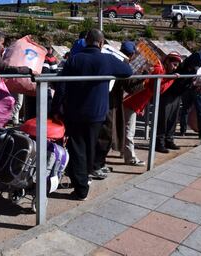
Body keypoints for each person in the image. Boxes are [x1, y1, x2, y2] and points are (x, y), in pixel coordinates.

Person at [52, 29, 132, 200]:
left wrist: (55, 109)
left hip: (75, 112)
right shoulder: (107, 59)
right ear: (102, 43)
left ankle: (81, 187)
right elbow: (128, 71)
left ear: (86, 41)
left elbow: (61, 86)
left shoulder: (75, 59)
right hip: (97, 113)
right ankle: (83, 179)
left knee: (77, 148)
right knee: (90, 147)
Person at [154, 52, 184, 153]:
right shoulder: (161, 69)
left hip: (175, 96)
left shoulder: (176, 71)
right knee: (163, 120)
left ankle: (169, 140)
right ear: (167, 61)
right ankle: (159, 143)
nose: (176, 67)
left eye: (177, 65)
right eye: (174, 64)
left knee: (173, 119)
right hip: (164, 96)